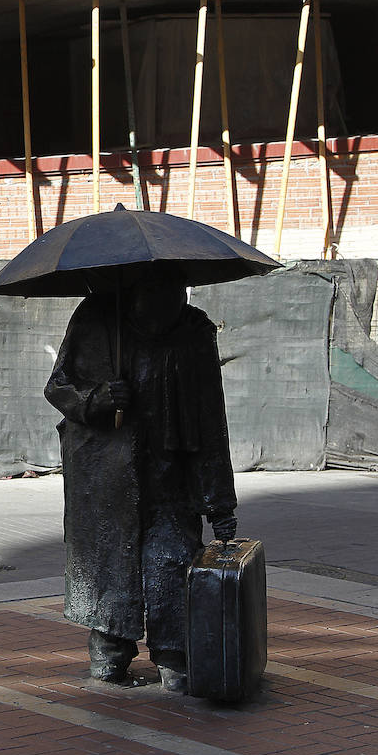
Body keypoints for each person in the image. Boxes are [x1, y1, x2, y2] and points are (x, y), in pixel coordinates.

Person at [44, 267, 238, 692]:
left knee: (171, 558)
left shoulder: (194, 331)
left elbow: (210, 416)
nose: (171, 303)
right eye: (157, 294)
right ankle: (109, 651)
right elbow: (58, 387)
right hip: (107, 472)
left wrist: (220, 502)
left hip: (172, 467)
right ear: (134, 293)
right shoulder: (97, 319)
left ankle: (173, 654)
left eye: (177, 292)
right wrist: (96, 399)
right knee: (109, 563)